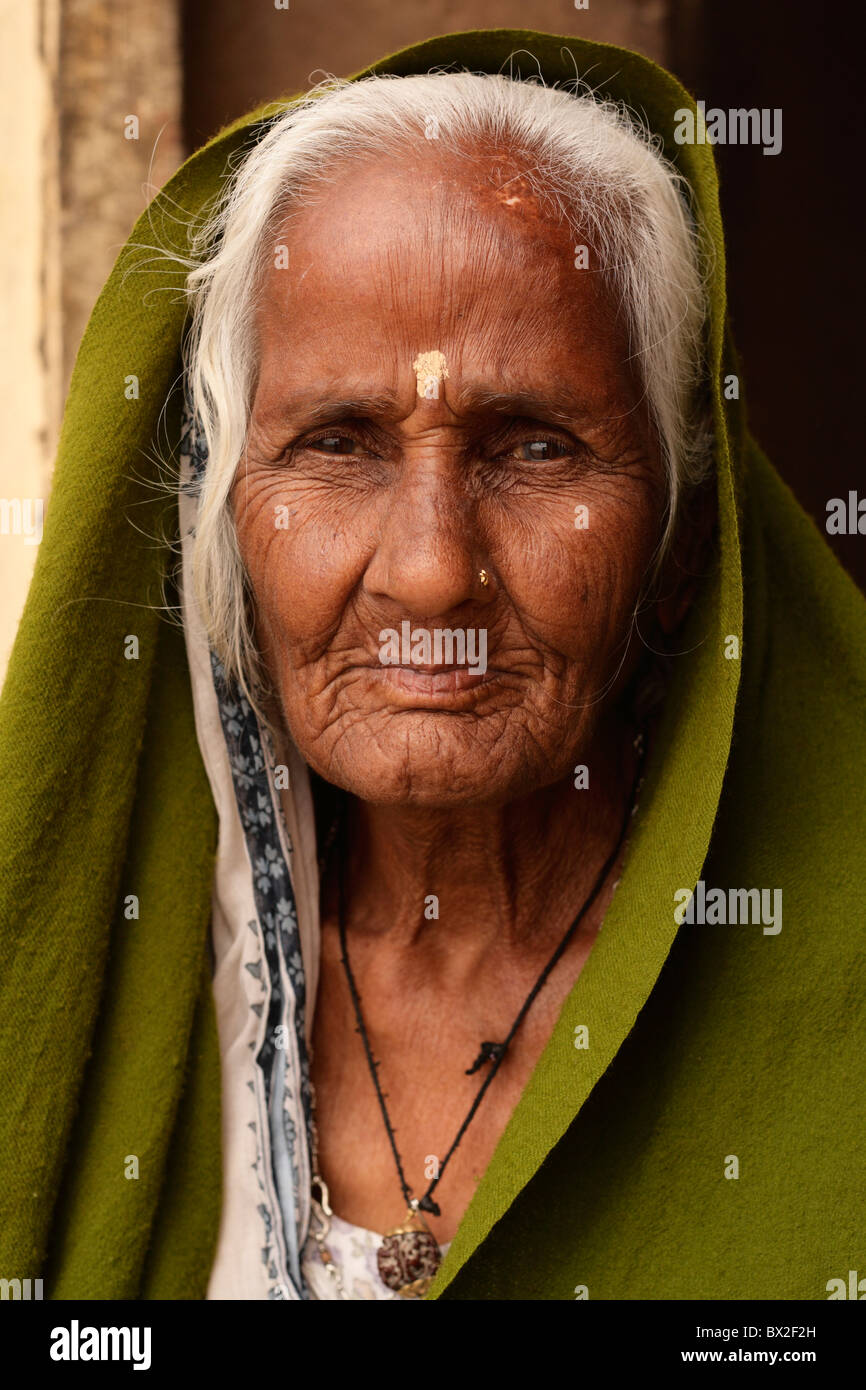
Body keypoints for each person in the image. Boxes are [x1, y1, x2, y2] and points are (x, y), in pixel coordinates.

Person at [1, 29, 863, 1303]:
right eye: (339, 443)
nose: (428, 571)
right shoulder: (134, 981)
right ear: (225, 519)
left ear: (682, 538)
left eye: (532, 449)